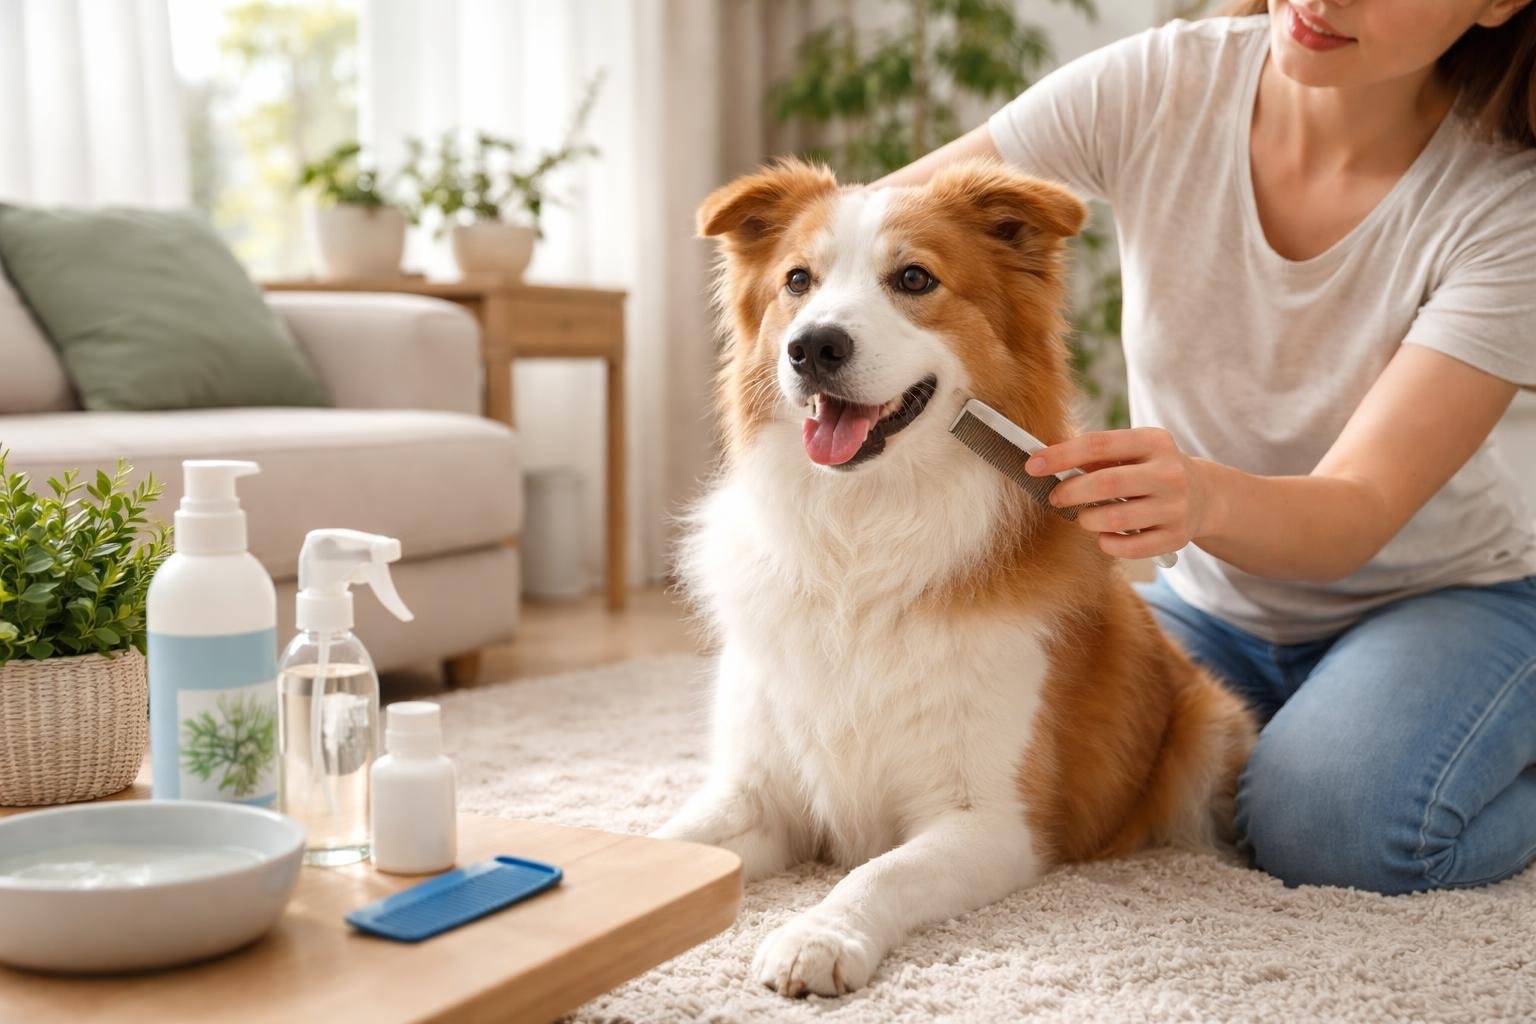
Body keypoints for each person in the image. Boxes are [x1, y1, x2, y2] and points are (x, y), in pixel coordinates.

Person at [876, 0, 1536, 895]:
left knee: (1330, 828)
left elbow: (1358, 507)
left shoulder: (1507, 206)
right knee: (1039, 767)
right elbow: (873, 220)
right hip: (1211, 606)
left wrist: (1203, 496)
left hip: (1438, 600)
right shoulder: (1159, 83)